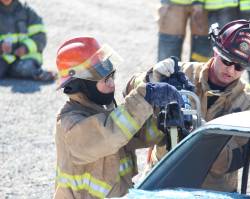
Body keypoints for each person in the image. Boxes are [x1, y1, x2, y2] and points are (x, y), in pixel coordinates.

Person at [125, 19, 250, 192]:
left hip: (211, 191)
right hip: (161, 181)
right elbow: (129, 92)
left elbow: (235, 160)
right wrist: (149, 79)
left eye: (240, 66)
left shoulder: (249, 102)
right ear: (215, 51)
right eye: (227, 61)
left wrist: (203, 133)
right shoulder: (183, 73)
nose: (231, 70)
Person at [53, 37, 183, 198]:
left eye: (112, 76)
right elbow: (110, 134)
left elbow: (137, 135)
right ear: (79, 84)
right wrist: (146, 95)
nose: (112, 84)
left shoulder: (103, 113)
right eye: (104, 79)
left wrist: (162, 120)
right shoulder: (70, 125)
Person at [0, 0, 55, 81]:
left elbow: (40, 37)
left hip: (26, 58)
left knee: (25, 68)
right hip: (3, 58)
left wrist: (25, 48)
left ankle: (39, 73)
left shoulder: (27, 11)